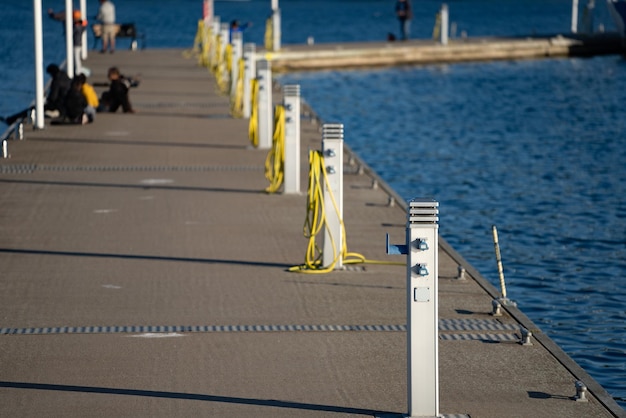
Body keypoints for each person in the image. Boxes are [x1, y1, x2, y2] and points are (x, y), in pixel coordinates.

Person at [72, 11, 86, 76]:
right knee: (77, 57)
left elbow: (74, 30)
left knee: (76, 57)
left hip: (76, 43)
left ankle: (78, 70)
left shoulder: (76, 27)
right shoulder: (82, 27)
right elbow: (84, 24)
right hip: (79, 43)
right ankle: (78, 69)